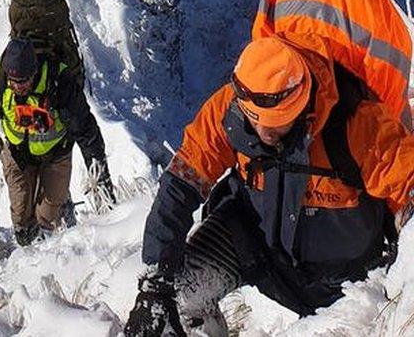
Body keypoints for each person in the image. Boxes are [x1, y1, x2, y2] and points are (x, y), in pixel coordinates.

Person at [124, 34, 414, 337]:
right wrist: (154, 286)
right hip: (254, 243)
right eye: (253, 120)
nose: (263, 133)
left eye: (276, 123)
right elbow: (179, 187)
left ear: (301, 105)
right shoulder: (226, 111)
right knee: (181, 299)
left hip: (350, 284)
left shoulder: (360, 125)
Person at [0, 37, 114, 246]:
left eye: (24, 81)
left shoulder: (59, 81)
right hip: (16, 152)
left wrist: (100, 177)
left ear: (35, 71)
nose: (18, 86)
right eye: (14, 82)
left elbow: (86, 129)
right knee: (21, 219)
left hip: (56, 153)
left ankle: (60, 210)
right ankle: (26, 253)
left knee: (47, 223)